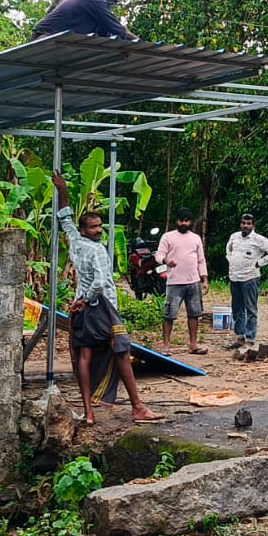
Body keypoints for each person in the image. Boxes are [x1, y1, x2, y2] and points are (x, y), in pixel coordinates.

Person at [53, 172, 161, 425]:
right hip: (101, 307)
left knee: (84, 355)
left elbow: (65, 217)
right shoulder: (98, 250)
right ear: (85, 230)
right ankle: (137, 406)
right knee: (121, 351)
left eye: (100, 226)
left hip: (83, 308)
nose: (98, 230)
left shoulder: (75, 241)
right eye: (94, 227)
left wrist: (63, 190)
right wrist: (86, 299)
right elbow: (101, 282)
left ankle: (89, 413)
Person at [155, 208, 209, 355]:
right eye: (181, 220)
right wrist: (166, 261)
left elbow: (201, 259)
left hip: (193, 282)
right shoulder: (168, 237)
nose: (183, 223)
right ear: (176, 221)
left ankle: (193, 344)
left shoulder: (196, 238)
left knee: (194, 314)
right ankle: (166, 346)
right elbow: (159, 255)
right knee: (169, 315)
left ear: (190, 222)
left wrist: (204, 278)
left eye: (186, 221)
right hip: (174, 282)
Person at [225, 213, 268, 350]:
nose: (245, 226)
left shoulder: (259, 239)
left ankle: (250, 339)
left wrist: (260, 263)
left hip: (250, 278)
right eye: (243, 223)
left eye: (248, 223)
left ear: (253, 225)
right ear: (240, 224)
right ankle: (240, 337)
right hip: (234, 277)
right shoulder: (234, 237)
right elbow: (228, 249)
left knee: (250, 309)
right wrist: (230, 259)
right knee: (237, 308)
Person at [29, 0, 139, 41]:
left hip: (56, 40)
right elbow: (114, 26)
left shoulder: (96, 5)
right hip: (44, 37)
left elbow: (106, 33)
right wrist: (137, 40)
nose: (117, 0)